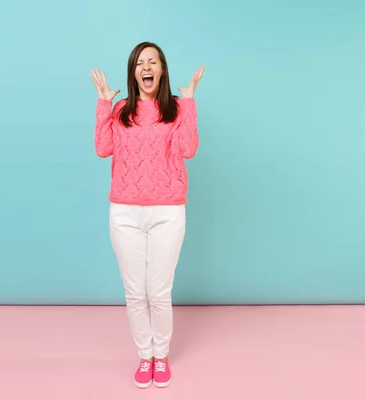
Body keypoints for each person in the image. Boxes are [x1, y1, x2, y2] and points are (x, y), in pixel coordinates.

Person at [90, 41, 204, 389]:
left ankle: (160, 355)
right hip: (124, 211)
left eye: (153, 61)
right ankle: (144, 356)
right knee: (135, 292)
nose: (147, 67)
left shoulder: (175, 110)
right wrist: (104, 102)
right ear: (134, 71)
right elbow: (102, 148)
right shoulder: (122, 110)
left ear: (162, 70)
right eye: (141, 63)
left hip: (167, 211)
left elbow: (188, 149)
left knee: (159, 290)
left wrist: (190, 101)